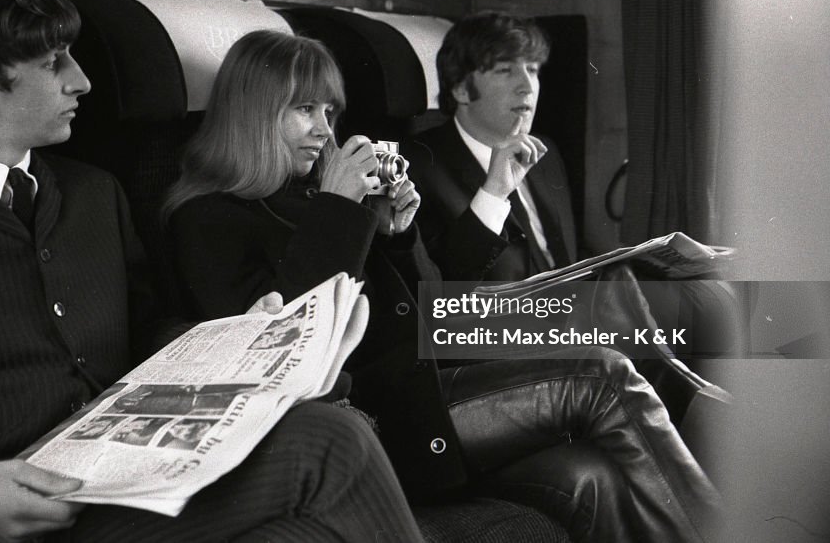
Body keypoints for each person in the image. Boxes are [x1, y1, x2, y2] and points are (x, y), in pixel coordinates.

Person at [0, 0, 424, 542]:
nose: (82, 80)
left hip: (125, 478)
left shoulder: (92, 192)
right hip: (4, 509)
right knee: (333, 439)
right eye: (52, 61)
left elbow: (144, 331)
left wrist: (236, 340)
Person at [163, 29, 724, 543]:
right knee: (602, 370)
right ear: (254, 114)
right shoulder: (207, 218)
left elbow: (413, 311)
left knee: (595, 458)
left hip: (423, 380)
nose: (325, 130)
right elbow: (287, 345)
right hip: (370, 420)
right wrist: (341, 210)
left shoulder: (313, 197)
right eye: (304, 110)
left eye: (329, 110)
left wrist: (394, 235)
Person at [405, 11, 575, 282]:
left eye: (532, 69)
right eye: (505, 70)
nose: (527, 87)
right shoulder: (415, 166)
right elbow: (442, 288)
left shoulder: (547, 152)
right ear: (461, 89)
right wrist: (494, 192)